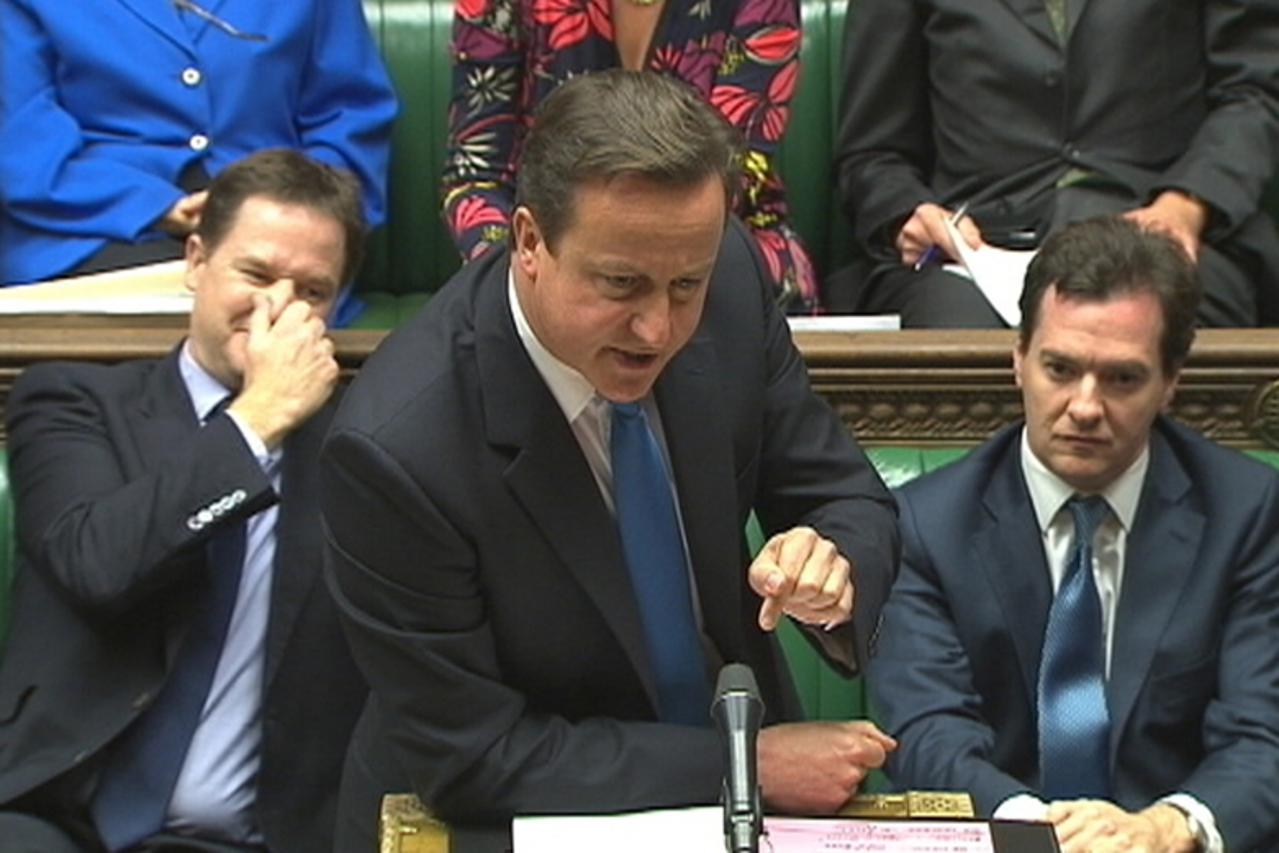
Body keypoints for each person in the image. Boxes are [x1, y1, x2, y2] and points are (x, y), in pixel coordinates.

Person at [323, 69, 900, 847]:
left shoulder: (722, 275)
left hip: (741, 792)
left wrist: (832, 566)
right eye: (620, 284)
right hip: (511, 814)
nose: (657, 328)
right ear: (528, 241)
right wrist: (741, 765)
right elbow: (474, 755)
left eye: (683, 285)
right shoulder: (397, 447)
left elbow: (846, 497)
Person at [867, 217, 1279, 852]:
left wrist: (1173, 827)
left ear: (1171, 383)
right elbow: (928, 730)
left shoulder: (1247, 513)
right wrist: (1035, 831)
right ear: (1018, 360)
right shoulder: (926, 525)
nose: (1085, 406)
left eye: (1121, 378)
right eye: (1060, 369)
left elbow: (1264, 732)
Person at [0, 149, 369, 852]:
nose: (278, 307)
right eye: (255, 274)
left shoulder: (361, 450)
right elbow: (99, 566)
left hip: (267, 836)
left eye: (312, 291)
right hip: (60, 818)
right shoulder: (73, 401)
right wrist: (256, 421)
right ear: (196, 260)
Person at [831, 0, 1279, 328]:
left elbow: (1255, 94)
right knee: (954, 338)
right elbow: (873, 154)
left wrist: (1184, 206)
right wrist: (912, 215)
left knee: (1165, 310)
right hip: (978, 245)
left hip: (1153, 218)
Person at [442, 0, 818, 312]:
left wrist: (625, 275)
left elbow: (730, 173)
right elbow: (476, 175)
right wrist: (520, 274)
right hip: (547, 252)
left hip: (712, 244)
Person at [0, 0, 397, 285]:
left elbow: (350, 118)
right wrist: (156, 207)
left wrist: (289, 212)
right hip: (89, 235)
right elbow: (23, 146)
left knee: (260, 310)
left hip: (276, 237)